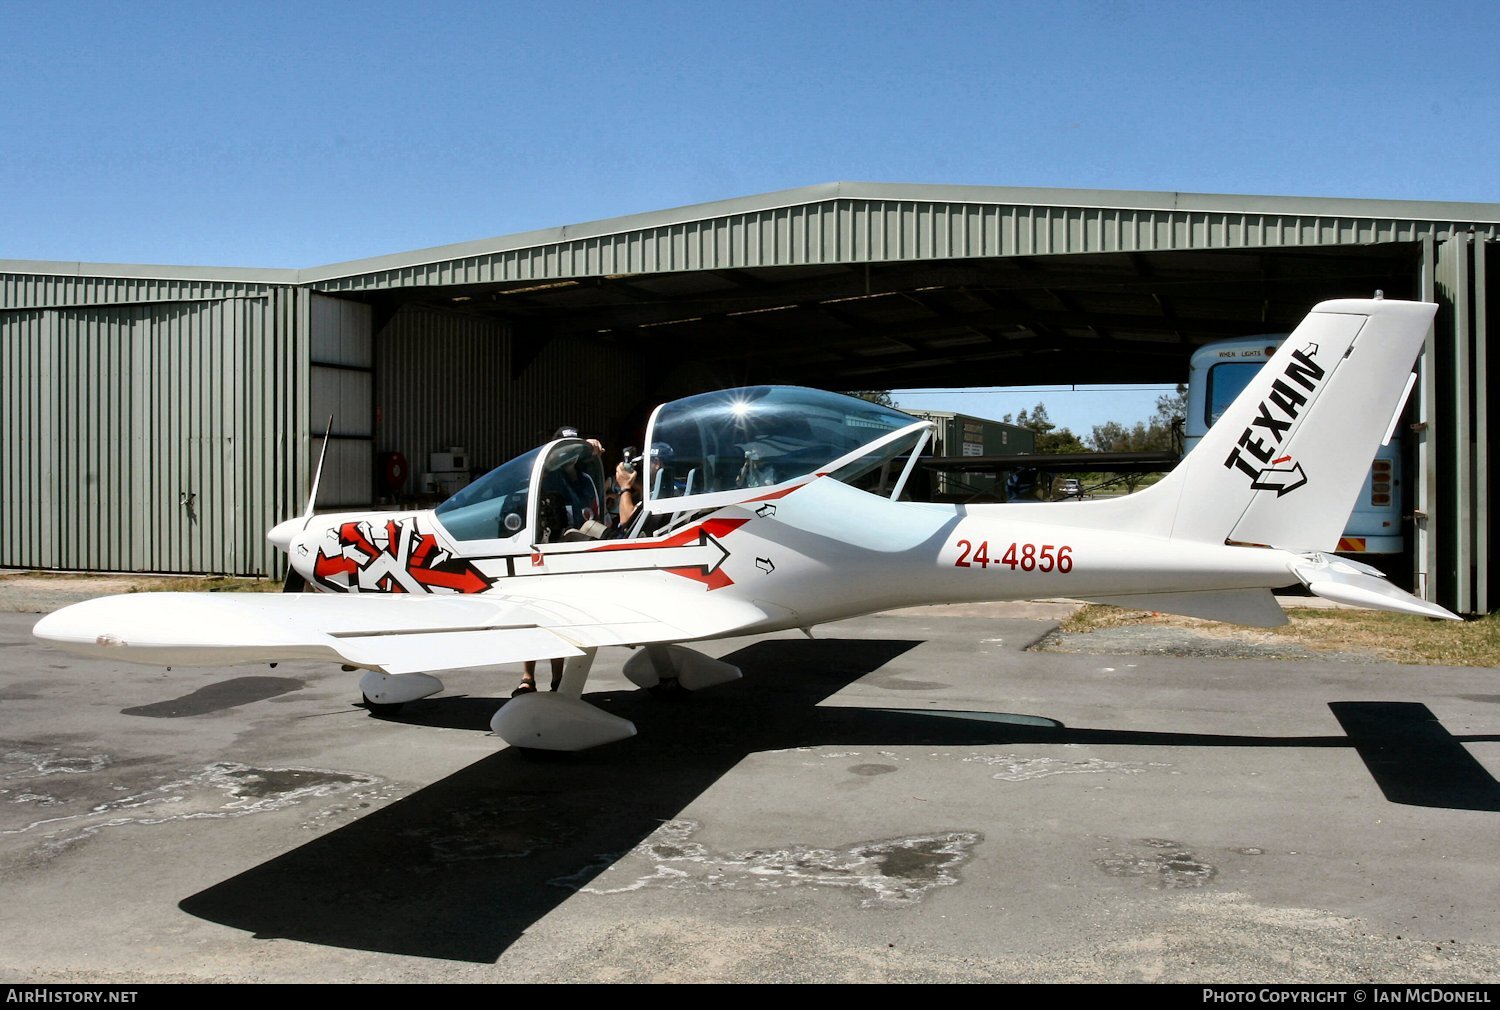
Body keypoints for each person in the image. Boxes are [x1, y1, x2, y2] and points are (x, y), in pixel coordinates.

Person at [515, 426, 607, 697]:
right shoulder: (543, 477)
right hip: (542, 552)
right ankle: (527, 677)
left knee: (561, 620)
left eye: (573, 448)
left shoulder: (586, 480)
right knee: (532, 617)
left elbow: (596, 516)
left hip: (573, 554)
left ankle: (558, 679)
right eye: (563, 449)